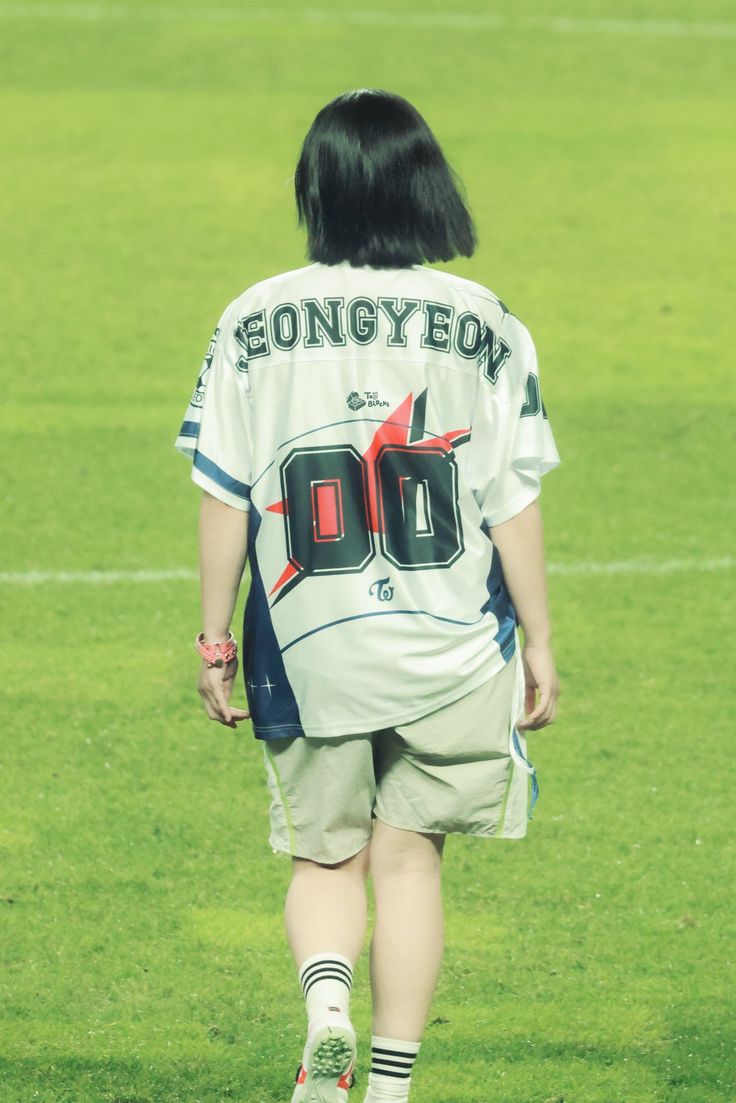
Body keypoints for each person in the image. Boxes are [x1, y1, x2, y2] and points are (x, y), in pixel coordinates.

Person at [174, 88, 561, 1103]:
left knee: (325, 857)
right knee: (409, 862)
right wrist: (542, 644)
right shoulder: (487, 322)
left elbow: (222, 491)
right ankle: (387, 1084)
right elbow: (511, 499)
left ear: (318, 187)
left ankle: (327, 1011)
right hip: (451, 642)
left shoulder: (253, 316)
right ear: (427, 183)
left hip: (309, 642)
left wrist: (215, 638)